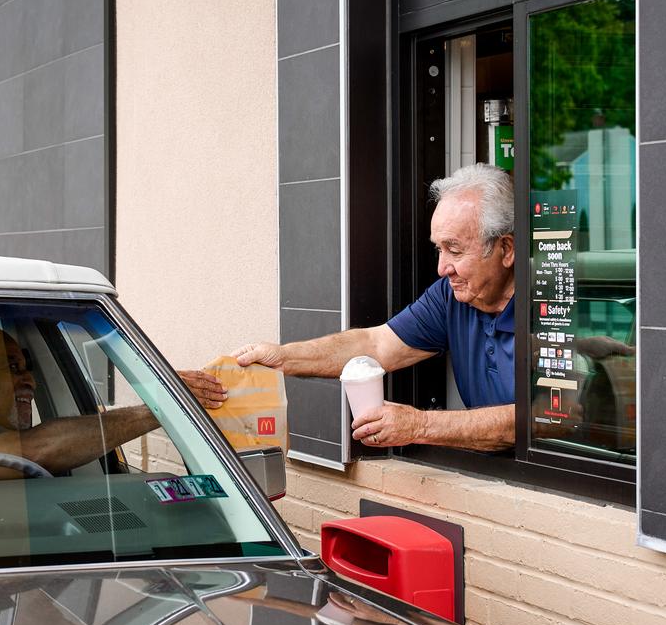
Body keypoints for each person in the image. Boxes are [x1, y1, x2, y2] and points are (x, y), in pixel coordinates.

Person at [221, 163, 519, 451]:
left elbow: (542, 420)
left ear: (506, 250)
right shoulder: (449, 296)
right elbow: (375, 345)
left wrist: (421, 426)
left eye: (454, 250)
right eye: (438, 249)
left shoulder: (549, 309)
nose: (442, 268)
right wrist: (285, 358)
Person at [0, 322, 225, 488]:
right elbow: (33, 452)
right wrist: (159, 406)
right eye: (12, 367)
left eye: (29, 368)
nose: (29, 379)